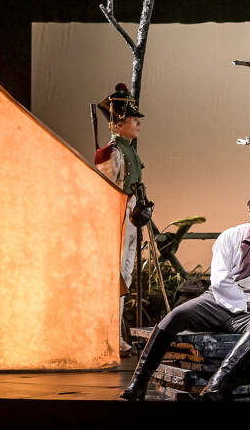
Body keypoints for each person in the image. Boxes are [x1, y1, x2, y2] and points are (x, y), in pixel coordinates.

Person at [121, 189, 250, 400]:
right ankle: (138, 383)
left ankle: (215, 386)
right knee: (175, 315)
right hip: (218, 301)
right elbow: (221, 282)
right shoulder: (230, 237)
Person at [95, 85, 145, 352]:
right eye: (132, 119)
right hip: (117, 218)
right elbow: (104, 193)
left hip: (131, 216)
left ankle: (115, 336)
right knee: (114, 277)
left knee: (124, 275)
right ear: (118, 125)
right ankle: (106, 335)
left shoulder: (130, 151)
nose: (137, 123)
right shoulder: (112, 152)